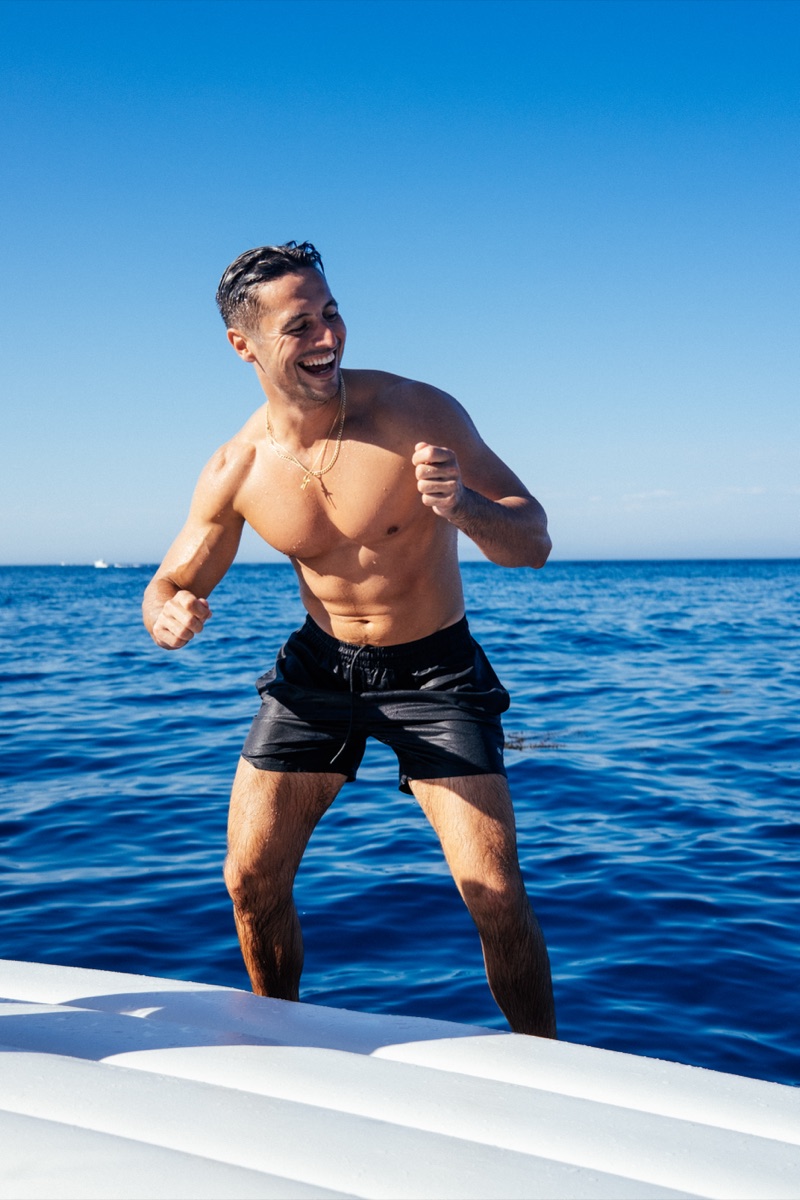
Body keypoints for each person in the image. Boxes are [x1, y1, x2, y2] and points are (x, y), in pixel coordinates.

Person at [143, 241, 556, 1037]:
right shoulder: (237, 467)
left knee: (495, 894)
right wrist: (165, 614)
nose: (328, 336)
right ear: (245, 345)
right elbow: (172, 580)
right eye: (301, 325)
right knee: (250, 879)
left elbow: (532, 539)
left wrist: (464, 505)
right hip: (319, 669)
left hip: (435, 668)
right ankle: (280, 1039)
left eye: (332, 313)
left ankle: (553, 1065)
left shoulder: (416, 413)